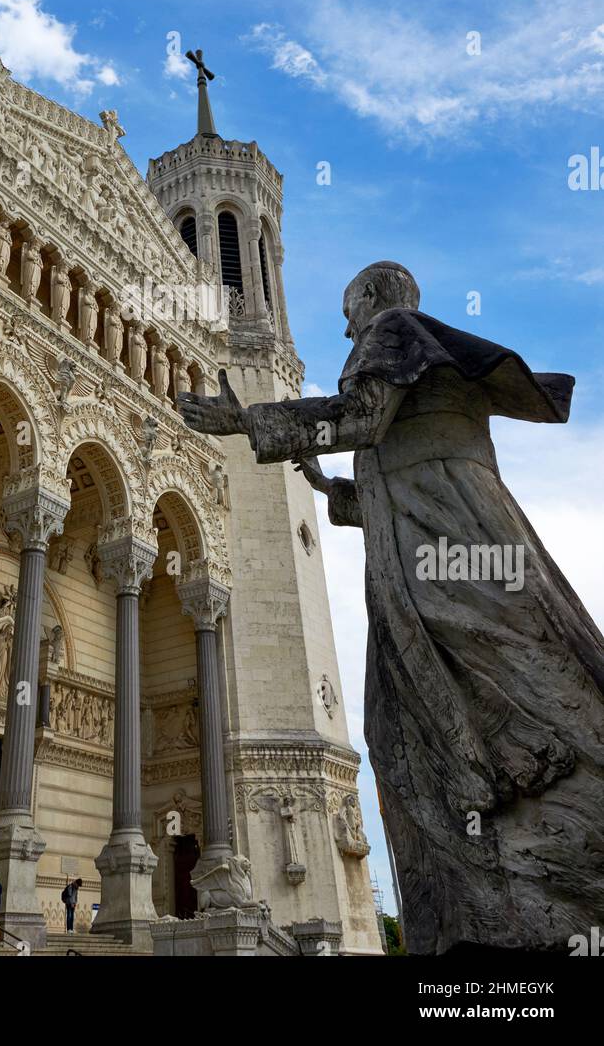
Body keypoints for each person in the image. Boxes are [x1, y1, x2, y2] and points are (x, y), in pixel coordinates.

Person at [178, 260, 604, 955]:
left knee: (452, 695)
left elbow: (366, 418)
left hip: (445, 544)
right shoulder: (420, 363)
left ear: (374, 299)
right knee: (440, 699)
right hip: (438, 533)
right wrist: (327, 486)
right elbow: (383, 476)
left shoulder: (395, 331)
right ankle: (496, 885)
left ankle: (512, 885)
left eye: (350, 309)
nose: (346, 324)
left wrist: (249, 422)